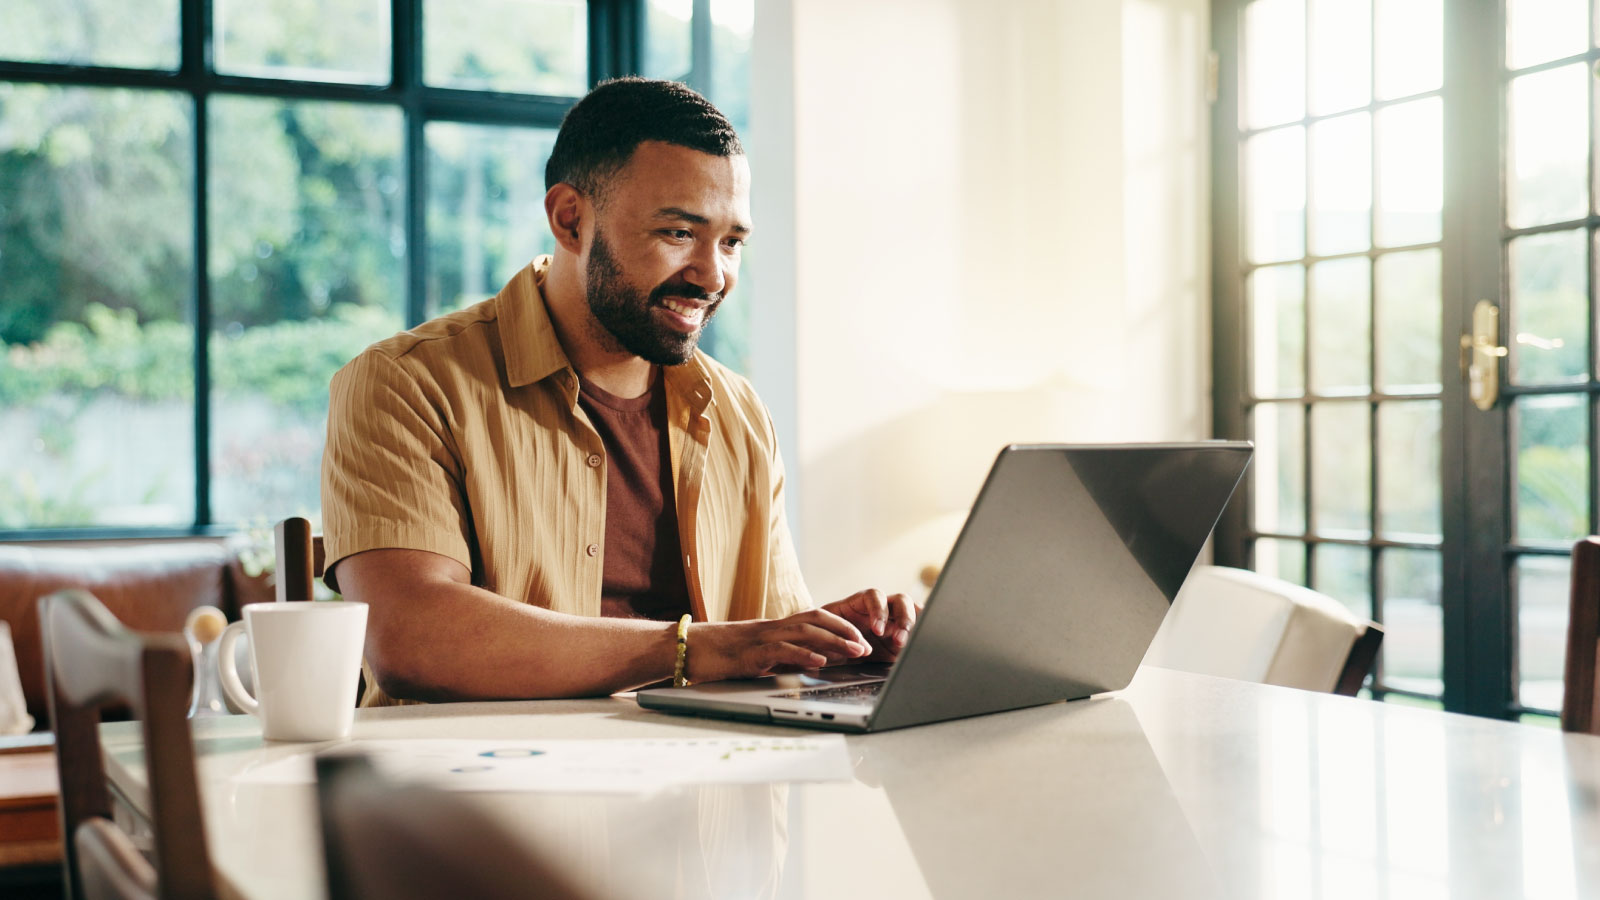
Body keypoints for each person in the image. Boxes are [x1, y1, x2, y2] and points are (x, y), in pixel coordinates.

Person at [321, 77, 916, 705]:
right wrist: (698, 649)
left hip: (705, 786)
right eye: (678, 233)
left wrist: (836, 647)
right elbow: (409, 639)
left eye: (732, 242)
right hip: (480, 791)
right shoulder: (406, 384)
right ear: (570, 219)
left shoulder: (741, 415)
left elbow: (758, 641)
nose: (713, 275)